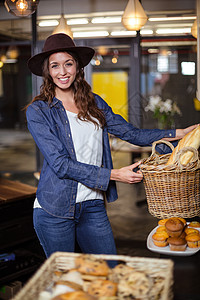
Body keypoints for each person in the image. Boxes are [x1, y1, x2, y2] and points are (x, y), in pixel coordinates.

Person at [26, 33, 198, 260]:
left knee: (110, 268)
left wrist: (180, 133)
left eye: (68, 64)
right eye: (55, 66)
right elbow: (60, 165)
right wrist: (115, 175)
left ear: (77, 66)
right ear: (48, 71)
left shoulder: (94, 102)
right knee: (65, 277)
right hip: (54, 209)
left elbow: (131, 133)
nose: (63, 72)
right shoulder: (39, 111)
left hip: (93, 204)